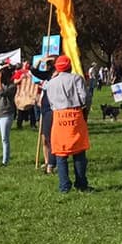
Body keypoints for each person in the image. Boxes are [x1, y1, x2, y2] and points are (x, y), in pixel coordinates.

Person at [46, 55, 89, 193]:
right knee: (79, 152)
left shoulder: (51, 83)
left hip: (58, 117)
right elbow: (83, 98)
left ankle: (64, 186)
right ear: (69, 66)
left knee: (61, 153)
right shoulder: (76, 79)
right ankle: (81, 184)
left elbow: (51, 101)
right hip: (75, 115)